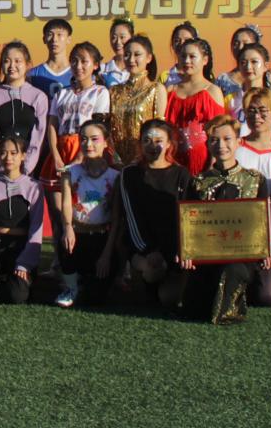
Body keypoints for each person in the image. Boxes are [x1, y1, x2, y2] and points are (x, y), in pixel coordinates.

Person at [181, 116, 271, 324]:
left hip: (244, 255)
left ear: (238, 142)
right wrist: (187, 250)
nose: (221, 145)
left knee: (261, 291)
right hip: (208, 255)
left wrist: (267, 247)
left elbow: (262, 219)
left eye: (227, 139)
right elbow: (189, 223)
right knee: (192, 307)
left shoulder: (255, 179)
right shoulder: (198, 181)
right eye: (214, 140)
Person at [117, 119, 188, 306]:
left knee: (170, 299)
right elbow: (132, 218)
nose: (152, 146)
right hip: (143, 249)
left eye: (158, 141)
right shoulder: (130, 174)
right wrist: (148, 250)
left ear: (169, 144)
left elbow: (186, 217)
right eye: (147, 141)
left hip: (173, 248)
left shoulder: (182, 174)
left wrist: (180, 250)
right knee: (153, 271)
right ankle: (144, 282)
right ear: (140, 143)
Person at [45, 42, 111, 236]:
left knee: (80, 210)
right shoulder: (61, 93)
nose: (78, 66)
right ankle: (60, 254)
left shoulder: (100, 92)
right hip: (60, 152)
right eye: (74, 61)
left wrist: (79, 159)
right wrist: (56, 155)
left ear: (95, 65)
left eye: (84, 61)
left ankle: (81, 250)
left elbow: (98, 127)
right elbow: (52, 126)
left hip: (85, 152)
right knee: (57, 212)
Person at [0, 132, 46, 305]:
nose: (8, 158)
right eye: (3, 153)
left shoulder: (34, 187)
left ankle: (10, 280)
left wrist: (25, 263)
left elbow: (36, 228)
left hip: (21, 247)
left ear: (23, 156)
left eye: (14, 153)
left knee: (16, 296)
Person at [56, 119, 120, 307]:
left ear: (106, 142)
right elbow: (66, 203)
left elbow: (116, 218)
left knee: (95, 299)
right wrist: (68, 227)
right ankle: (71, 287)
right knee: (65, 241)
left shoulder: (115, 176)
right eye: (83, 139)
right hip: (77, 234)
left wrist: (107, 254)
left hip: (102, 238)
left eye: (94, 139)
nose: (88, 144)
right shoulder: (70, 172)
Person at [0, 42, 49, 183]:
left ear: (27, 65)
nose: (12, 66)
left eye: (17, 61)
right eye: (7, 61)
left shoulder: (38, 96)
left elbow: (39, 134)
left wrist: (26, 167)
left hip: (28, 174)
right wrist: (1, 164)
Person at [165, 38, 227, 176]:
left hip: (202, 162)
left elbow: (218, 131)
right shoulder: (170, 90)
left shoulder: (212, 91)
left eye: (192, 56)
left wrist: (213, 164)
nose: (187, 61)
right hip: (173, 161)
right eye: (183, 56)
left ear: (205, 60)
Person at [108, 35, 169, 166]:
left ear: (149, 58)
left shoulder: (156, 89)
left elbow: (160, 129)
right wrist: (114, 155)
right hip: (117, 161)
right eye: (127, 54)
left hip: (145, 161)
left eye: (137, 55)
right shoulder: (114, 91)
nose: (131, 59)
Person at [224, 43, 271, 144]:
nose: (248, 67)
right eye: (243, 62)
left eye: (254, 62)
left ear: (265, 66)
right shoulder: (230, 100)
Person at [26, 18, 74, 100]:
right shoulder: (33, 74)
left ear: (69, 39)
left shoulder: (79, 73)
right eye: (50, 34)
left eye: (59, 34)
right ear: (44, 39)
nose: (54, 39)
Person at [216, 25, 263, 99]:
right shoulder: (222, 80)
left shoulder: (265, 76)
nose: (240, 47)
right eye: (236, 43)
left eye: (245, 43)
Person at [99, 17, 135, 88]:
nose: (118, 42)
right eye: (114, 37)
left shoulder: (137, 70)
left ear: (132, 37)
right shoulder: (102, 70)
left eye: (122, 37)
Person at [163, 21, 199, 87]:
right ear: (172, 44)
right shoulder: (165, 77)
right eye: (177, 40)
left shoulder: (204, 76)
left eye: (187, 40)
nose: (182, 43)